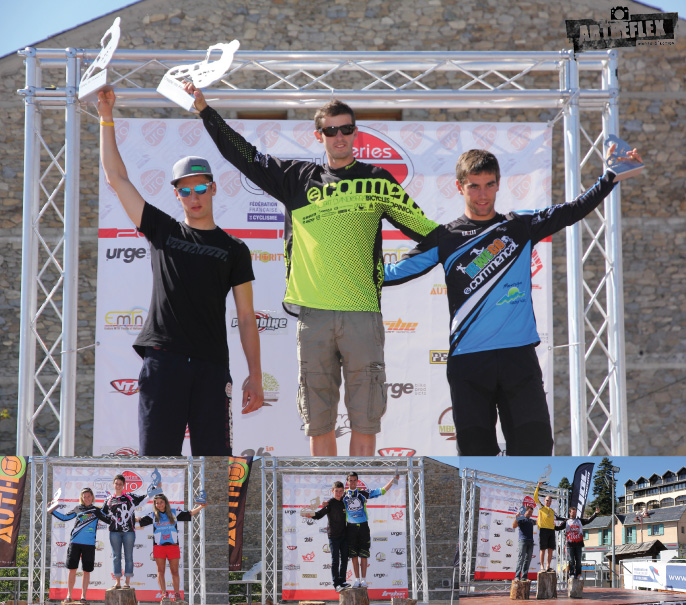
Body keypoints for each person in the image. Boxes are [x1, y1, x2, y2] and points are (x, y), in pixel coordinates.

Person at [183, 83, 438, 456]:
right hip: (313, 317)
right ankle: (329, 491)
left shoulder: (378, 181)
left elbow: (429, 234)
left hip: (362, 314)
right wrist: (207, 112)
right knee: (319, 424)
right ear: (319, 135)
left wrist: (391, 272)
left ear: (355, 132)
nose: (339, 136)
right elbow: (244, 156)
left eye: (346, 128)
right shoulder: (296, 178)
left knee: (365, 422)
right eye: (331, 130)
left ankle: (357, 494)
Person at [384, 143, 642, 455]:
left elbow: (572, 210)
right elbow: (392, 273)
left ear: (498, 184)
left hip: (518, 358)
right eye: (474, 186)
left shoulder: (519, 226)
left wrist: (610, 177)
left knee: (535, 450)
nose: (482, 195)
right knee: (476, 459)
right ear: (459, 187)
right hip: (469, 362)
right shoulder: (445, 238)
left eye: (489, 185)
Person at [97, 89, 264, 456]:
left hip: (211, 366)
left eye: (201, 187)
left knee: (214, 468)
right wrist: (106, 117)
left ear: (214, 188)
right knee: (158, 466)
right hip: (164, 361)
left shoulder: (234, 249)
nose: (194, 196)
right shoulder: (163, 230)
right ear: (176, 195)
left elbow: (246, 317)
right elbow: (116, 178)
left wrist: (255, 374)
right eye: (185, 191)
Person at [138, 493, 207, 602]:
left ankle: (177, 594)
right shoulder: (153, 515)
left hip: (173, 547)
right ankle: (164, 594)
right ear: (155, 505)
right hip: (159, 547)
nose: (159, 505)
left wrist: (201, 506)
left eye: (161, 502)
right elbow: (138, 520)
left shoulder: (174, 513)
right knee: (160, 571)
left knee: (174, 571)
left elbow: (189, 513)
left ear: (165, 502)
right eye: (157, 503)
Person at [48, 487, 112, 604]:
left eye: (88, 496)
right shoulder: (77, 508)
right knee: (72, 569)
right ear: (82, 498)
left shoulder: (96, 510)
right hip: (75, 543)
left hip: (89, 545)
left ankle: (83, 596)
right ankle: (69, 595)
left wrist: (113, 509)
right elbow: (65, 517)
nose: (87, 498)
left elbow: (108, 520)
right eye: (84, 497)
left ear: (92, 497)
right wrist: (52, 510)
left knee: (86, 571)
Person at [343, 471, 398, 587]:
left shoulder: (362, 493)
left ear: (357, 481)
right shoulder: (343, 495)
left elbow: (381, 491)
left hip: (363, 526)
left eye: (354, 480)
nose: (352, 483)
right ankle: (356, 579)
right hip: (351, 528)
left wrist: (392, 481)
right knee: (353, 555)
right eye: (350, 480)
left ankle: (363, 580)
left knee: (364, 554)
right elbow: (333, 502)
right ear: (347, 482)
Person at [302, 481, 350, 592]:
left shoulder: (345, 501)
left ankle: (342, 581)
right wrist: (310, 514)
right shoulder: (330, 503)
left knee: (344, 559)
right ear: (332, 491)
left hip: (344, 536)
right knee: (335, 561)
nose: (339, 493)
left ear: (343, 491)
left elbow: (353, 494)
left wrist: (363, 500)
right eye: (336, 491)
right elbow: (319, 515)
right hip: (333, 536)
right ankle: (336, 584)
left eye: (341, 491)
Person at [101, 474, 147, 590]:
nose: (118, 486)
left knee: (128, 557)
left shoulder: (129, 497)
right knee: (116, 557)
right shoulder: (108, 500)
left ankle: (127, 582)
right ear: (113, 484)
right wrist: (111, 521)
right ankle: (117, 582)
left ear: (123, 485)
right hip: (114, 532)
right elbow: (102, 514)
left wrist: (155, 489)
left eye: (120, 484)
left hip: (129, 532)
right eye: (116, 483)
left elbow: (143, 498)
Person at [554, 505, 599, 579]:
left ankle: (579, 574)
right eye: (573, 512)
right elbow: (559, 528)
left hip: (579, 544)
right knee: (571, 560)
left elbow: (588, 520)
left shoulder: (579, 521)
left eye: (575, 513)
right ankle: (571, 574)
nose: (574, 514)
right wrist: (551, 525)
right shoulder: (566, 521)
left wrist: (595, 514)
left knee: (578, 560)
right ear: (569, 513)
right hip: (570, 544)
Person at [534, 481, 557, 572]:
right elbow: (535, 497)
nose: (548, 502)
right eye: (547, 500)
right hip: (543, 530)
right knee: (543, 549)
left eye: (550, 501)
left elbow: (558, 518)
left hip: (551, 530)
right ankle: (542, 566)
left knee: (550, 549)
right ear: (544, 501)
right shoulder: (541, 507)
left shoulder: (552, 511)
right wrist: (538, 486)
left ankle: (548, 566)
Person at [512, 506, 535, 581]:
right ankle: (517, 576)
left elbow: (539, 522)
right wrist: (516, 518)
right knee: (521, 558)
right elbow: (514, 526)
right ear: (525, 511)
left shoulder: (531, 521)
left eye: (531, 512)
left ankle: (524, 577)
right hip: (523, 540)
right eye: (529, 511)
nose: (530, 513)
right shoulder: (521, 519)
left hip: (530, 541)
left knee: (528, 559)